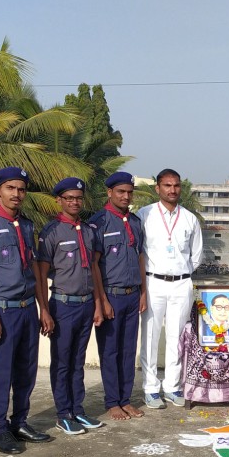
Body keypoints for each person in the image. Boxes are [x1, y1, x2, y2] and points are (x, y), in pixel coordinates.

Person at [0, 166, 52, 454]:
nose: (17, 194)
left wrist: (43, 308)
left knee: (27, 370)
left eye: (21, 189)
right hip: (4, 311)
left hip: (28, 307)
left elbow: (33, 268)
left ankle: (20, 422)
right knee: (3, 372)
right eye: (10, 188)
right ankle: (0, 428)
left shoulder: (27, 225)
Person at [34, 177, 104, 436]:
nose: (75, 202)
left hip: (86, 304)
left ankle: (77, 409)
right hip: (63, 305)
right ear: (59, 200)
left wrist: (98, 304)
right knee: (62, 362)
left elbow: (93, 268)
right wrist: (44, 310)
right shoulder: (51, 231)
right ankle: (63, 413)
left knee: (78, 361)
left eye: (78, 198)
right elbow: (41, 274)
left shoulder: (88, 231)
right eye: (69, 198)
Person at [138, 169, 203, 408]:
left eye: (176, 185)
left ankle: (173, 387)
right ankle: (150, 388)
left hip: (181, 283)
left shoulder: (189, 218)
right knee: (150, 335)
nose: (172, 190)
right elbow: (139, 251)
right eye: (167, 185)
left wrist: (180, 272)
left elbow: (196, 255)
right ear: (158, 188)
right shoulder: (144, 215)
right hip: (153, 282)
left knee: (176, 337)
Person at [89, 171, 147, 421]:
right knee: (110, 351)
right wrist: (101, 300)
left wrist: (143, 292)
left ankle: (125, 399)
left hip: (132, 295)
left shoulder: (135, 222)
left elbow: (140, 257)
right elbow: (94, 264)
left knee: (128, 350)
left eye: (129, 192)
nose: (126, 196)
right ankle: (112, 401)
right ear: (109, 192)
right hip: (111, 296)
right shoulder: (98, 222)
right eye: (121, 192)